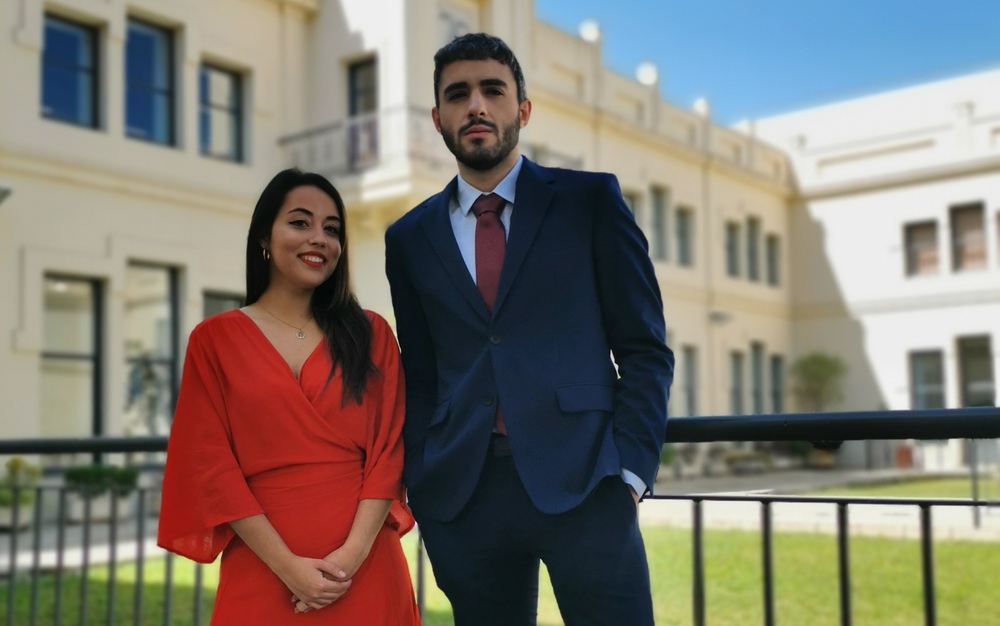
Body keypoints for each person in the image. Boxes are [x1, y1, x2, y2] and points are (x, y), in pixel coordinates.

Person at [384, 33, 674, 626]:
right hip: (464, 498)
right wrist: (424, 480)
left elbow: (644, 349)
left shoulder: (589, 202)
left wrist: (630, 474)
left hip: (588, 486)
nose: (477, 106)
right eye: (458, 94)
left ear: (523, 109)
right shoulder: (409, 238)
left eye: (494, 90)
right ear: (438, 117)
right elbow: (421, 372)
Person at [159, 169, 420, 625]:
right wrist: (289, 568)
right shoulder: (214, 339)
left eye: (332, 229)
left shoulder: (372, 333)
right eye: (300, 223)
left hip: (365, 571)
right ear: (265, 236)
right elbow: (211, 465)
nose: (319, 238)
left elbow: (389, 453)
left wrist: (346, 563)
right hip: (263, 570)